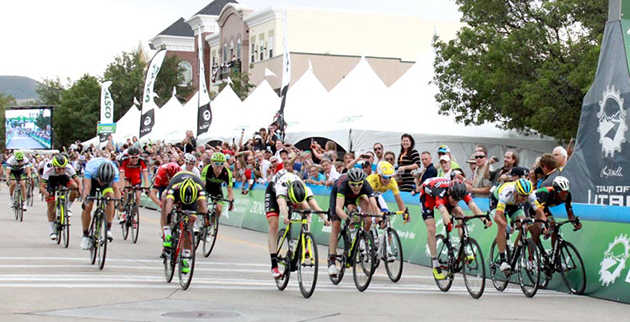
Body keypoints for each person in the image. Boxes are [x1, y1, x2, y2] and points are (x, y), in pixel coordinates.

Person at [419, 178, 490, 279]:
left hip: (446, 196)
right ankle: (435, 263)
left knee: (460, 213)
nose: (456, 201)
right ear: (449, 192)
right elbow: (443, 211)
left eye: (458, 200)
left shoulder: (460, 192)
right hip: (428, 198)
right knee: (431, 228)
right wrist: (448, 223)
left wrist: (484, 220)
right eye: (454, 199)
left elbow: (473, 206)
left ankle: (463, 249)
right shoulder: (441, 194)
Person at [265, 169, 330, 277]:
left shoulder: (306, 189)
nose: (294, 204)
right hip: (273, 193)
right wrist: (285, 216)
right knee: (273, 226)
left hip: (295, 191)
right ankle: (274, 265)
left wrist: (324, 218)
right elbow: (282, 205)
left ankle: (305, 241)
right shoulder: (281, 188)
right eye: (293, 201)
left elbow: (315, 206)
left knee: (307, 210)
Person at [327, 168, 380, 276]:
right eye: (353, 184)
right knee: (336, 226)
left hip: (356, 198)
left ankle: (362, 238)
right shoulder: (343, 184)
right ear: (349, 182)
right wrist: (346, 218)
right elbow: (338, 208)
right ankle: (331, 261)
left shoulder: (365, 184)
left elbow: (373, 204)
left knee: (368, 216)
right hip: (340, 198)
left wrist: (378, 217)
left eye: (359, 184)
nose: (356, 187)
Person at [491, 178, 545, 273]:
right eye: (522, 196)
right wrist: (506, 225)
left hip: (514, 204)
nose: (524, 199)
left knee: (524, 225)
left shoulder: (530, 195)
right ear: (516, 192)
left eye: (526, 196)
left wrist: (544, 225)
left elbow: (540, 213)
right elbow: (497, 217)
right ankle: (503, 260)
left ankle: (515, 254)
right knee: (502, 227)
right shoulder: (507, 193)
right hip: (497, 201)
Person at [161, 171, 208, 274]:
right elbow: (169, 204)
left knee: (190, 222)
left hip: (192, 198)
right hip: (177, 187)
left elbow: (203, 206)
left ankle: (185, 257)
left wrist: (206, 220)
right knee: (165, 199)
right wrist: (168, 218)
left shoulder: (200, 189)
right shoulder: (174, 187)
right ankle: (167, 233)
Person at [80, 158, 120, 250]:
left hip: (108, 180)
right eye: (101, 181)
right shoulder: (90, 168)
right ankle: (85, 235)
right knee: (88, 205)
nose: (102, 183)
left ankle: (108, 229)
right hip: (92, 182)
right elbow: (87, 187)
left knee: (110, 198)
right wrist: (85, 200)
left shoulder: (114, 171)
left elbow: (116, 188)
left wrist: (119, 203)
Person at [40, 155, 82, 241]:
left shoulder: (68, 167)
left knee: (74, 187)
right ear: (54, 166)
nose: (62, 170)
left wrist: (79, 190)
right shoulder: (48, 167)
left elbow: (78, 181)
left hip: (63, 178)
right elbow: (42, 186)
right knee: (51, 204)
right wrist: (46, 193)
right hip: (51, 180)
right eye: (59, 169)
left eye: (63, 168)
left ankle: (68, 207)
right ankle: (52, 230)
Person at [118, 146, 150, 223]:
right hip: (126, 177)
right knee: (127, 191)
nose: (135, 159)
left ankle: (133, 216)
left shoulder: (142, 160)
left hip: (136, 179)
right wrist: (121, 188)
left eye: (136, 157)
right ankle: (124, 213)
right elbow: (121, 176)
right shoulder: (124, 160)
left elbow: (145, 175)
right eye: (133, 158)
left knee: (138, 197)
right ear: (129, 156)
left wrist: (146, 187)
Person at [200, 152, 234, 218]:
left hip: (217, 189)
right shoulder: (207, 169)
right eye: (217, 163)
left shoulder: (227, 172)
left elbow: (230, 189)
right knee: (203, 205)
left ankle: (214, 222)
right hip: (206, 187)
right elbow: (202, 185)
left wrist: (231, 202)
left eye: (221, 163)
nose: (219, 166)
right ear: (212, 163)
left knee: (219, 209)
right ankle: (204, 219)